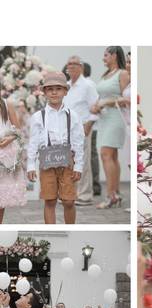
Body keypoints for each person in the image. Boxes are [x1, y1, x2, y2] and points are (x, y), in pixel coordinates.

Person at [26, 71, 84, 224]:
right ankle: (51, 229)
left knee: (69, 201)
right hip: (47, 163)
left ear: (65, 91)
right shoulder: (38, 116)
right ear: (44, 92)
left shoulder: (73, 116)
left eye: (58, 88)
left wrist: (79, 165)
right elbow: (33, 142)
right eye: (49, 88)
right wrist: (31, 164)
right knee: (49, 200)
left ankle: (70, 228)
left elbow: (78, 141)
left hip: (68, 162)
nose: (54, 92)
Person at [90, 47, 129, 209]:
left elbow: (126, 97)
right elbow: (101, 96)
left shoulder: (123, 74)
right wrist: (95, 106)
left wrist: (106, 103)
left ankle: (110, 195)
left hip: (116, 117)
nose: (103, 58)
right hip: (104, 118)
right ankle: (116, 193)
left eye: (106, 55)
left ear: (114, 55)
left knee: (106, 154)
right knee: (111, 156)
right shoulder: (105, 75)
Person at [63, 55, 99, 207]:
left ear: (81, 67)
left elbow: (96, 106)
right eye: (69, 64)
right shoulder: (67, 85)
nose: (70, 66)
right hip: (66, 128)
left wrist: (89, 124)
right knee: (69, 163)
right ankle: (72, 193)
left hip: (82, 127)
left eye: (74, 64)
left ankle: (85, 195)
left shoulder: (88, 85)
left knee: (82, 163)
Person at [0, 97, 27, 222]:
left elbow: (17, 129)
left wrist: (9, 139)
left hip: (4, 155)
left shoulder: (6, 104)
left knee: (1, 197)